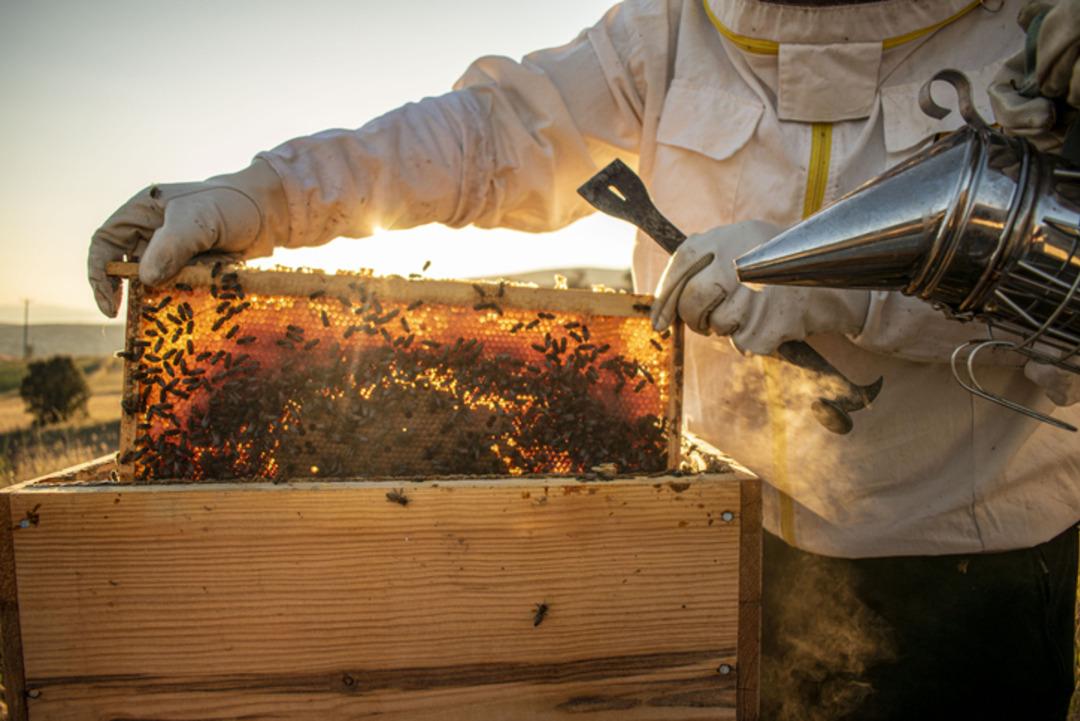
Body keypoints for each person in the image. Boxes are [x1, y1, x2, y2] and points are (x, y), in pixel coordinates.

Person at [88, 1, 1080, 718]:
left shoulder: (1034, 34)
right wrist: (262, 195)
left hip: (970, 559)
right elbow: (490, 133)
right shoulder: (675, 31)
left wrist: (835, 280)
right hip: (719, 536)